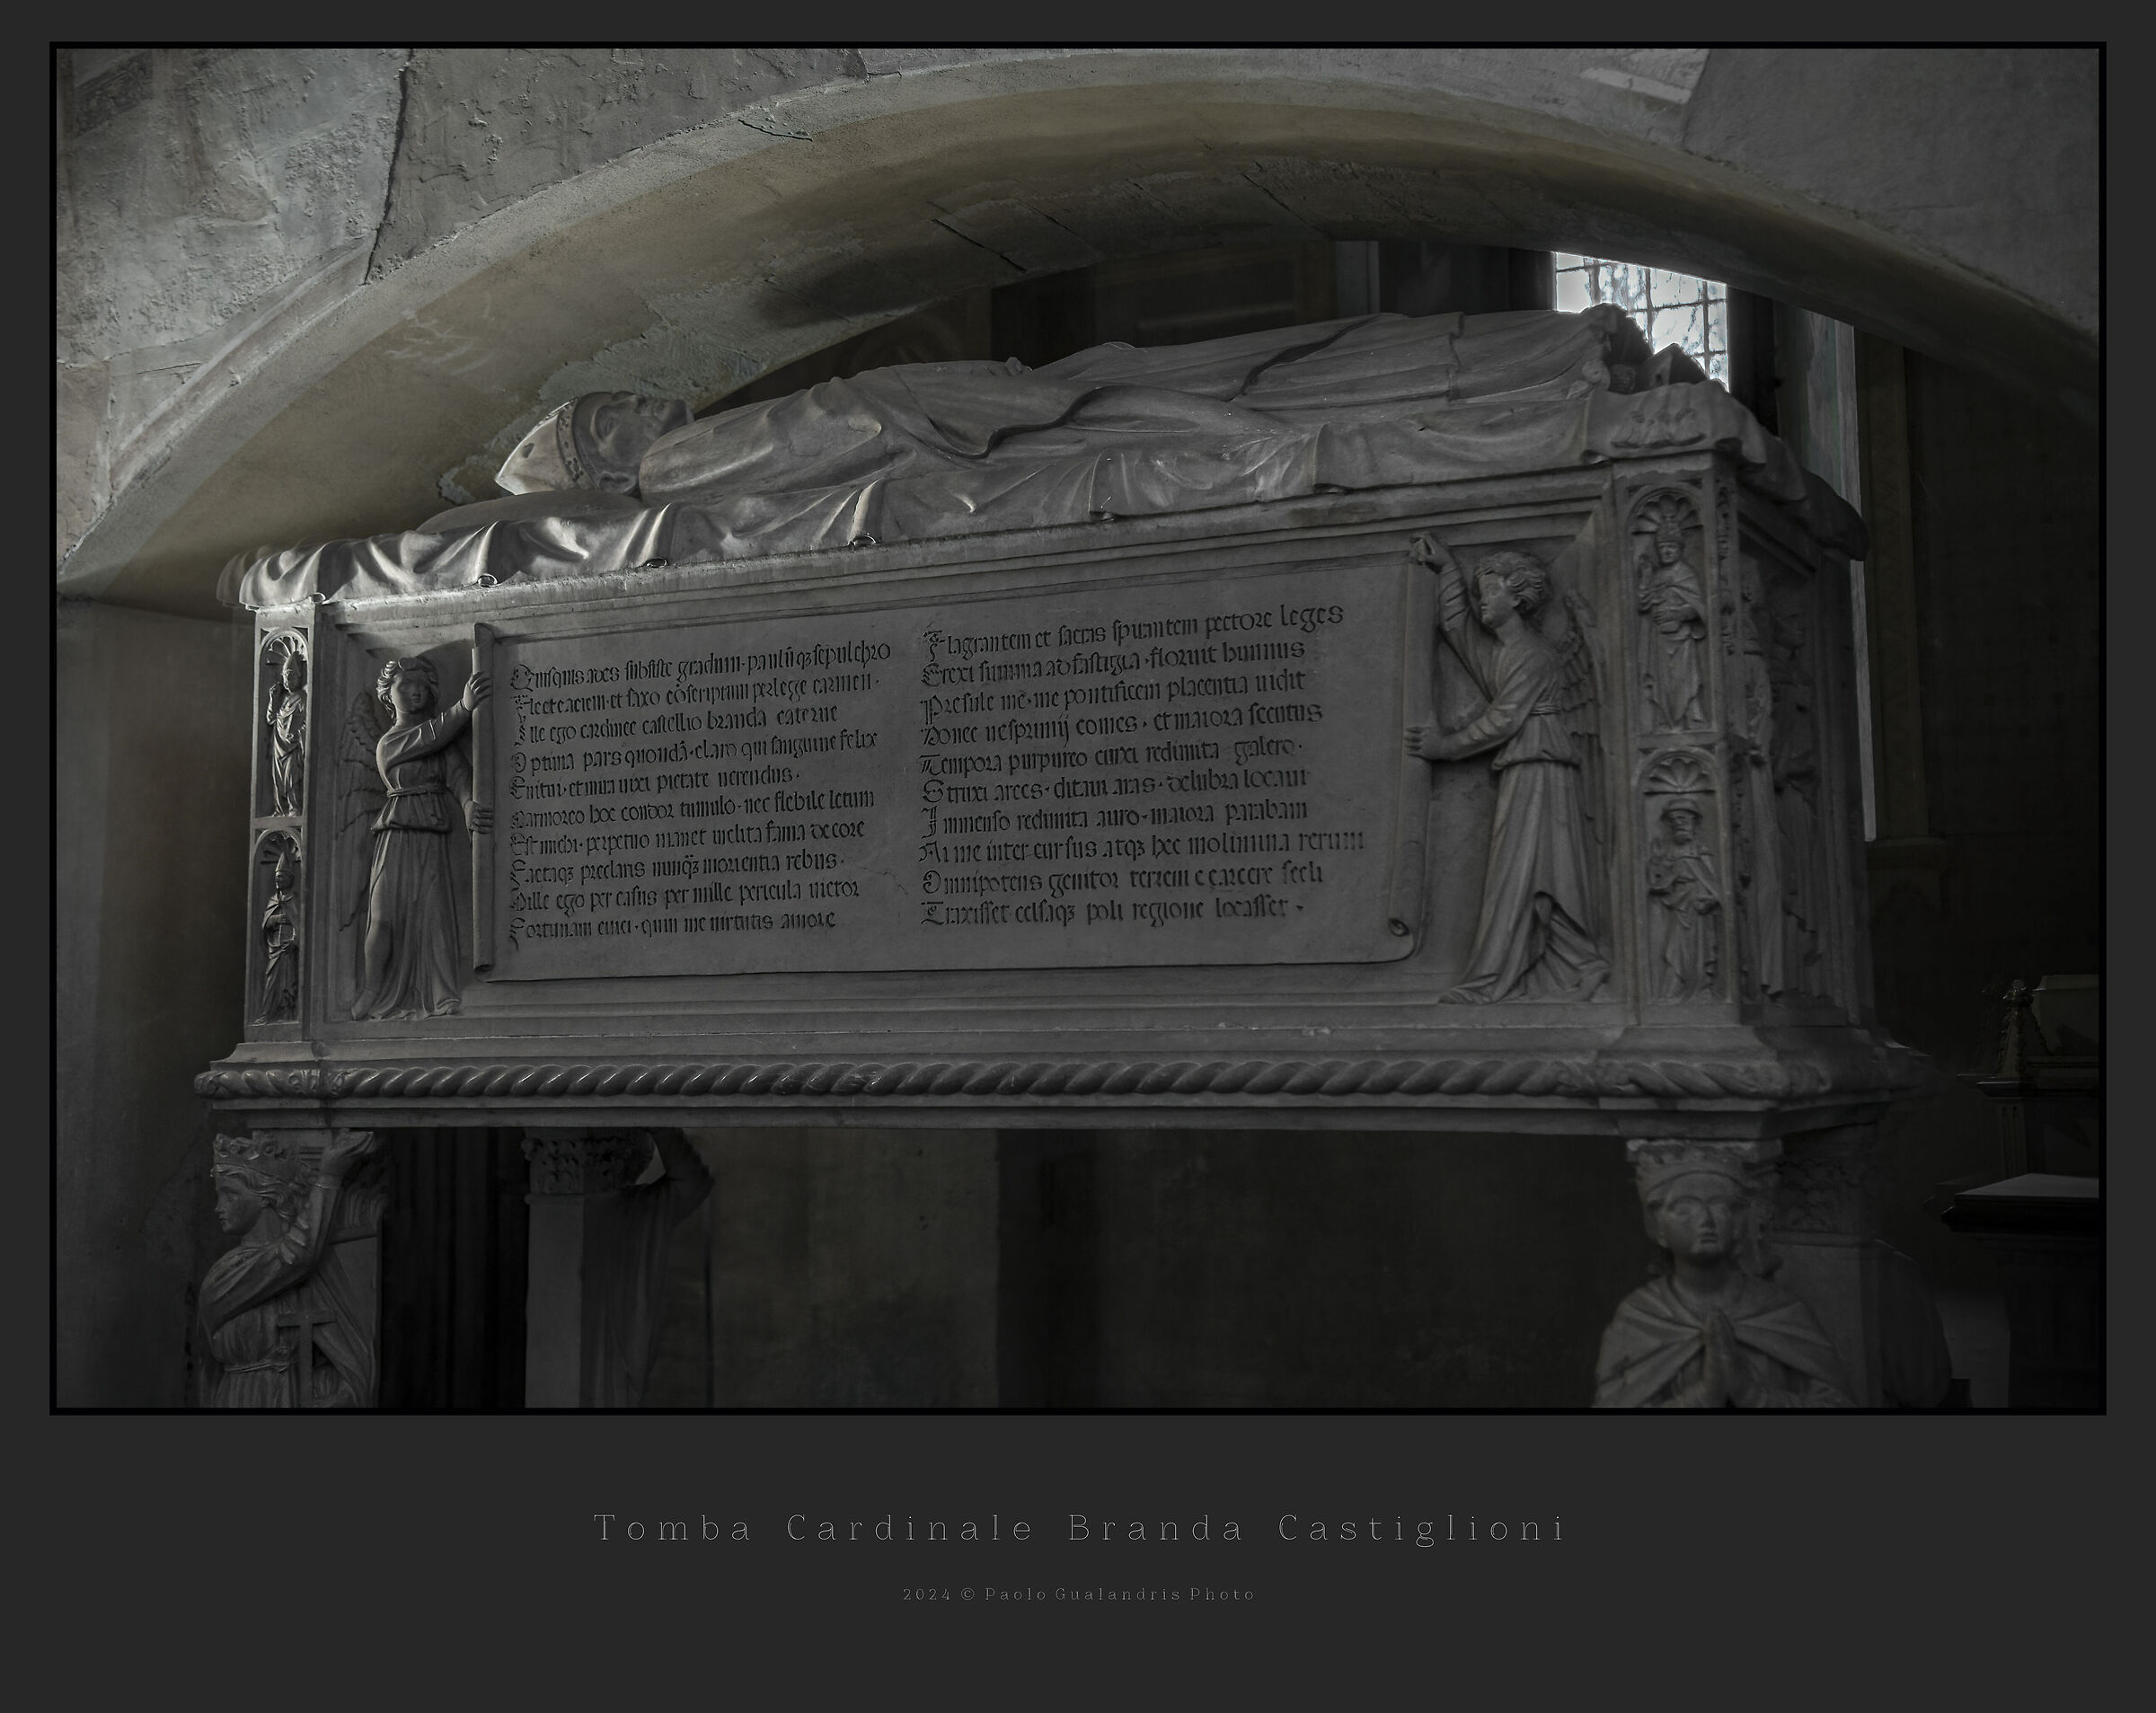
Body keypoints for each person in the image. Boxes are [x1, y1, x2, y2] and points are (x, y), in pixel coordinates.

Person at [1405, 534, 1608, 1002]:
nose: (1482, 602)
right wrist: (1448, 571)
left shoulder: (1533, 655)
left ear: (1517, 597)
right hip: (1528, 768)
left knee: (1522, 870)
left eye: (1490, 591)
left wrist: (1445, 746)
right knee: (1534, 869)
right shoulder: (1503, 652)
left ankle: (1500, 976)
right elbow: (1458, 632)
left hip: (1540, 769)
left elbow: (1504, 720)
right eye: (1479, 593)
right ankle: (1577, 962)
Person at [1594, 1143, 1851, 1408]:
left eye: (1720, 1207)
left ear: (1738, 1225)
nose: (1706, 1220)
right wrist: (1703, 1397)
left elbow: (1838, 1406)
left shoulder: (1780, 1310)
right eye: (1685, 1209)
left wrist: (1753, 1395)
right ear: (1659, 1229)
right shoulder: (1640, 1317)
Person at [199, 1130, 383, 1408]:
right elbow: (293, 1256)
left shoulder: (305, 1279)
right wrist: (328, 1178)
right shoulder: (226, 1274)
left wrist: (342, 1393)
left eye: (231, 1195)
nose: (218, 1208)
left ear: (266, 1197)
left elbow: (344, 1352)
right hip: (242, 1397)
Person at [353, 656, 490, 1020]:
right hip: (396, 834)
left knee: (435, 916)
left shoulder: (439, 742)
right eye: (405, 685)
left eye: (422, 685)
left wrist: (467, 805)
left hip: (430, 835)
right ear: (388, 694)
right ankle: (372, 988)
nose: (415, 692)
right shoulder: (390, 742)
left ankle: (442, 992)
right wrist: (463, 709)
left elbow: (458, 775)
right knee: (383, 916)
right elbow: (427, 738)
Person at [1634, 510, 1707, 728]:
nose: (1666, 551)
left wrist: (1678, 614)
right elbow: (1643, 604)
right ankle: (1665, 720)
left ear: (1680, 549)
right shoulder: (1657, 576)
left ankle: (1691, 719)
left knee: (1685, 680)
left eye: (1671, 547)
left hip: (1682, 638)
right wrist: (1645, 578)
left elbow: (1698, 607)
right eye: (1662, 547)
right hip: (1660, 639)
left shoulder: (1686, 574)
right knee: (1662, 682)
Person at [1645, 798, 1720, 999]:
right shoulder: (1669, 853)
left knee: (1699, 949)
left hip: (1697, 907)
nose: (1678, 824)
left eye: (1683, 819)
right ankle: (1676, 988)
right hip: (1679, 906)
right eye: (1674, 821)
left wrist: (1711, 899)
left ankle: (1700, 988)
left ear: (1693, 823)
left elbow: (1714, 885)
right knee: (1676, 948)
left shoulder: (1701, 852)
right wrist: (1655, 864)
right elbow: (1660, 882)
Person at [259, 840, 301, 1021]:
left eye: (282, 877)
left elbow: (299, 924)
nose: (278, 880)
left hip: (288, 949)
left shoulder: (294, 900)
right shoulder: (273, 900)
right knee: (271, 981)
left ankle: (287, 1014)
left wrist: (294, 941)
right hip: (274, 948)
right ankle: (266, 1014)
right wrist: (275, 919)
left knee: (287, 983)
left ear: (290, 878)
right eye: (277, 877)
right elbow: (265, 924)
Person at [266, 642, 308, 816]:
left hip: (293, 746)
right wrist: (273, 699)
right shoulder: (282, 699)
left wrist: (298, 735)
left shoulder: (303, 698)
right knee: (278, 778)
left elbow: (307, 722)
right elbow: (270, 719)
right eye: (285, 678)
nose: (287, 682)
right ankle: (280, 809)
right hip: (278, 744)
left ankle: (294, 808)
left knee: (292, 776)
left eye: (291, 678)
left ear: (299, 678)